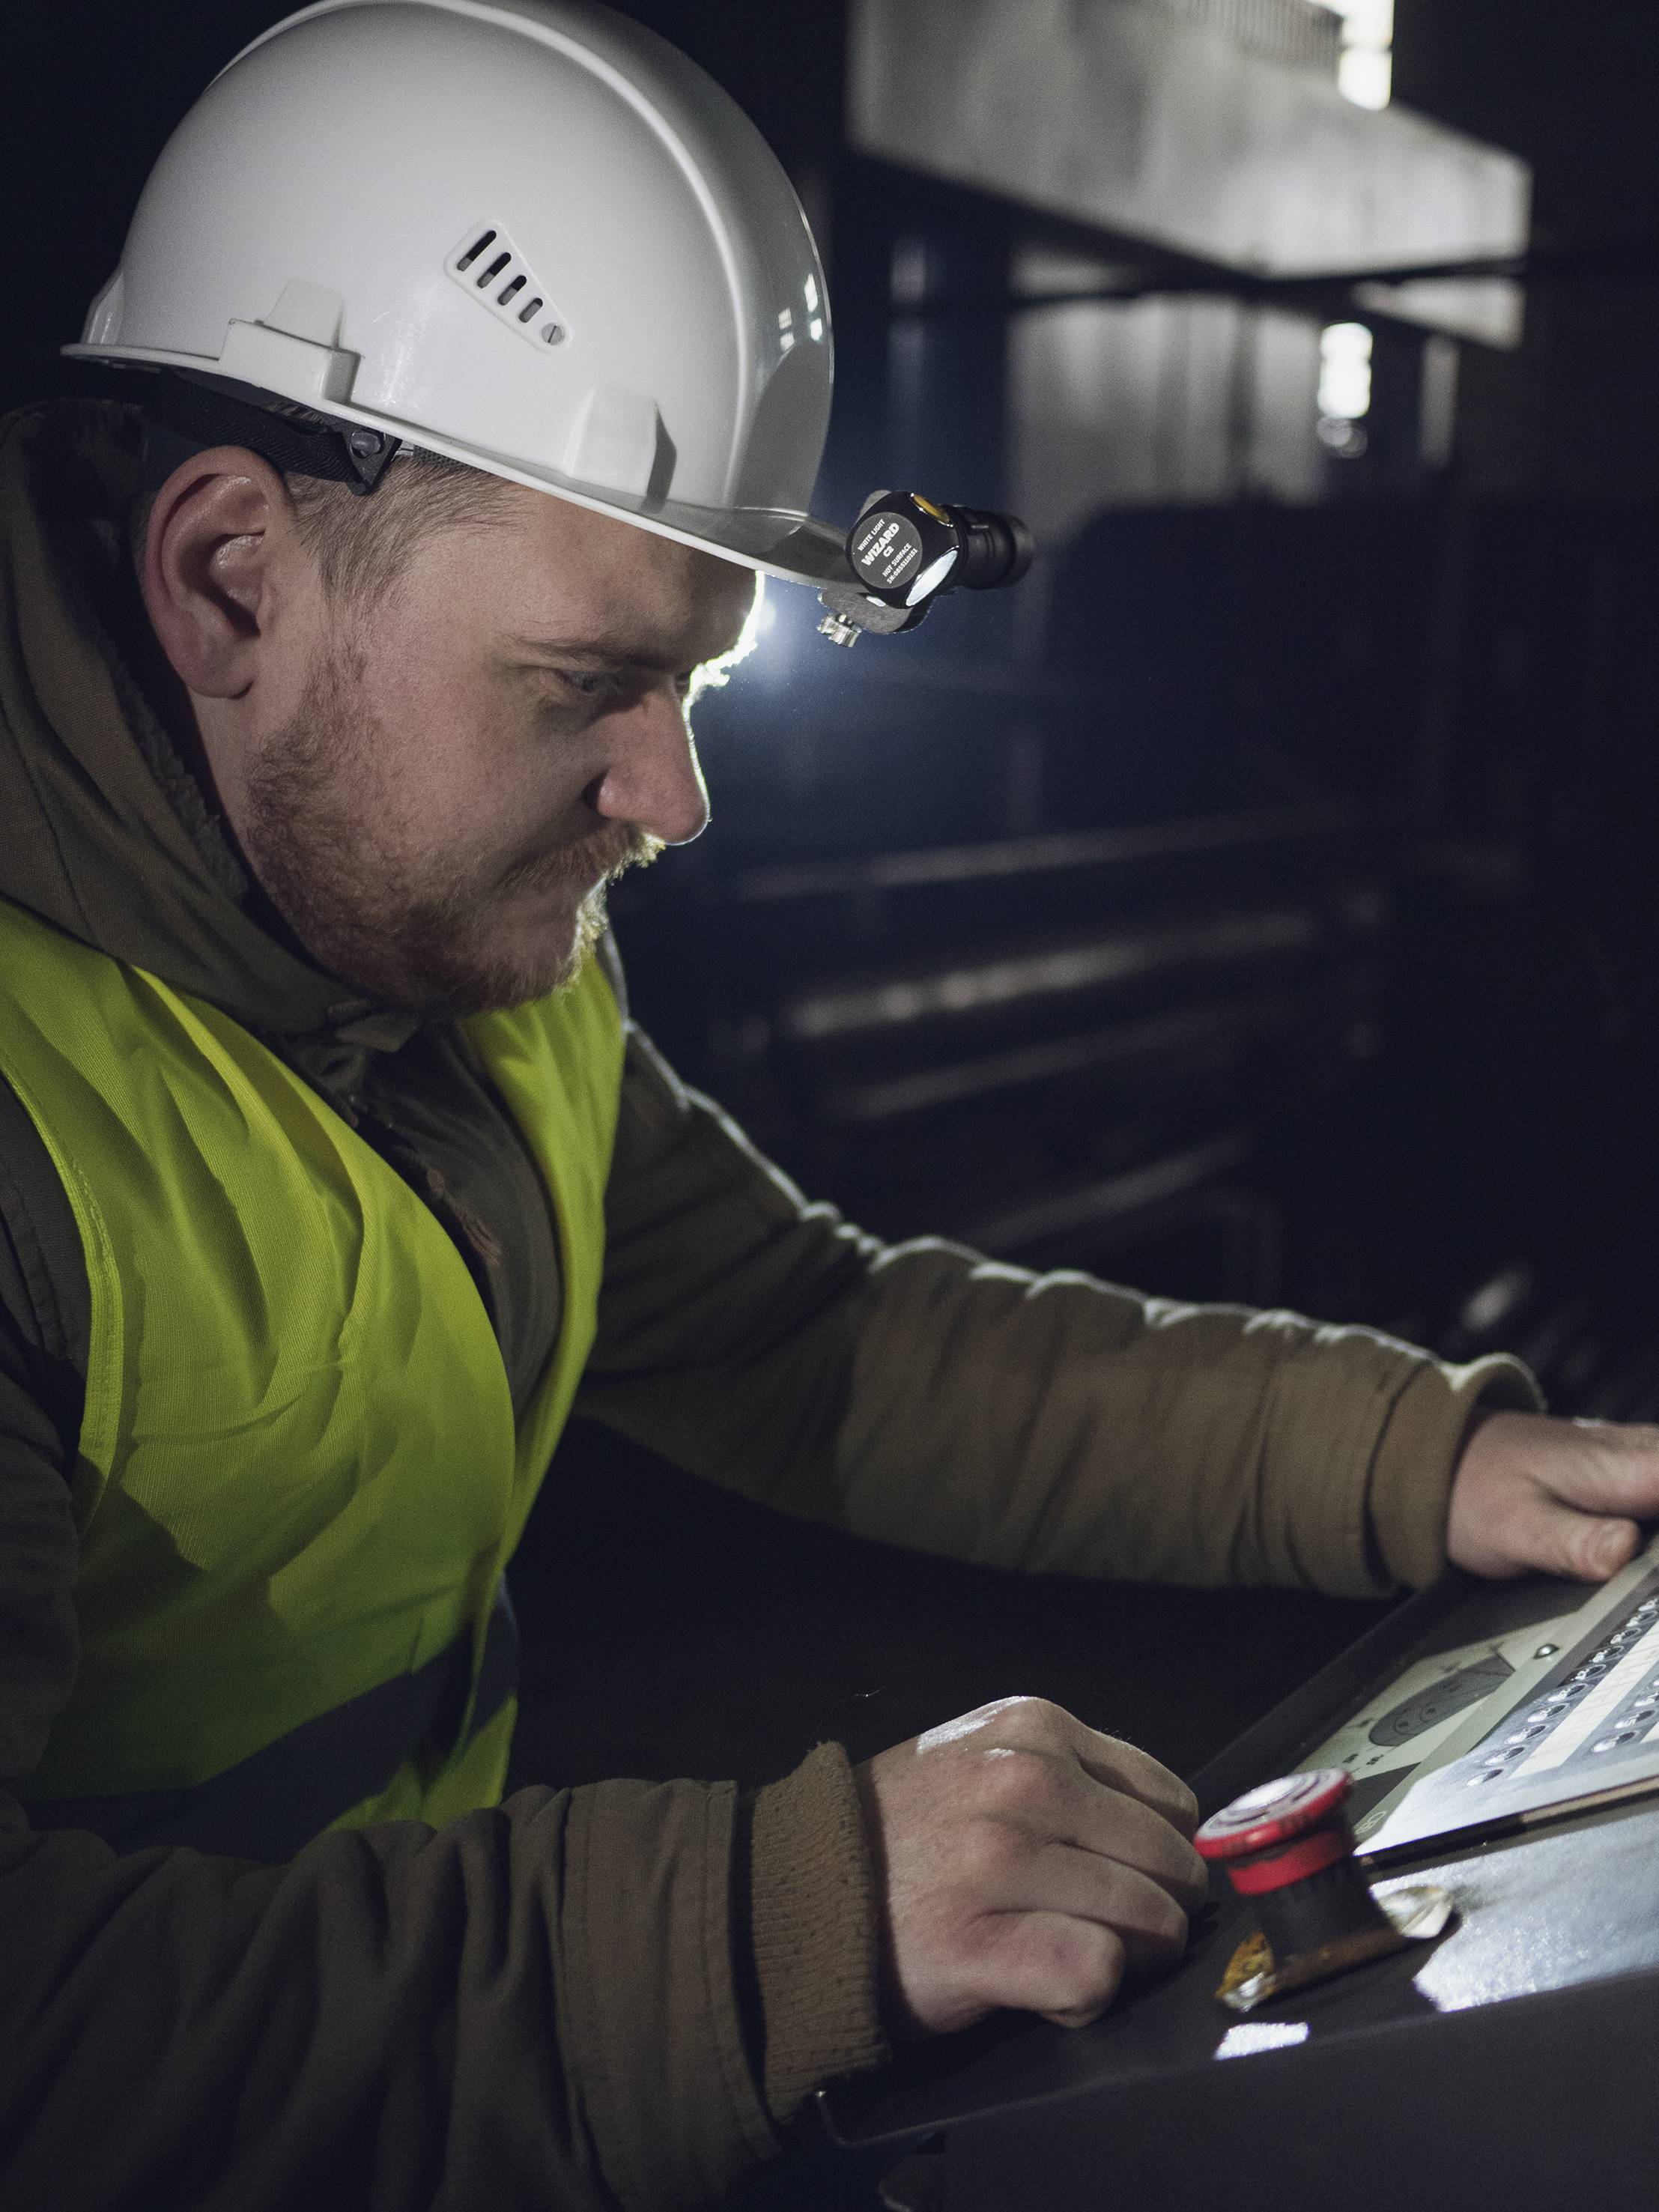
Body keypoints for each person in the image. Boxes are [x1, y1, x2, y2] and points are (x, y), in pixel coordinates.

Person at [1, 4, 1656, 2208]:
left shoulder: (450, 968)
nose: (670, 800)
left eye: (691, 681)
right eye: (588, 685)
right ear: (229, 578)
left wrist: (1415, 1453)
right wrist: (780, 1930)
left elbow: (813, 1342)